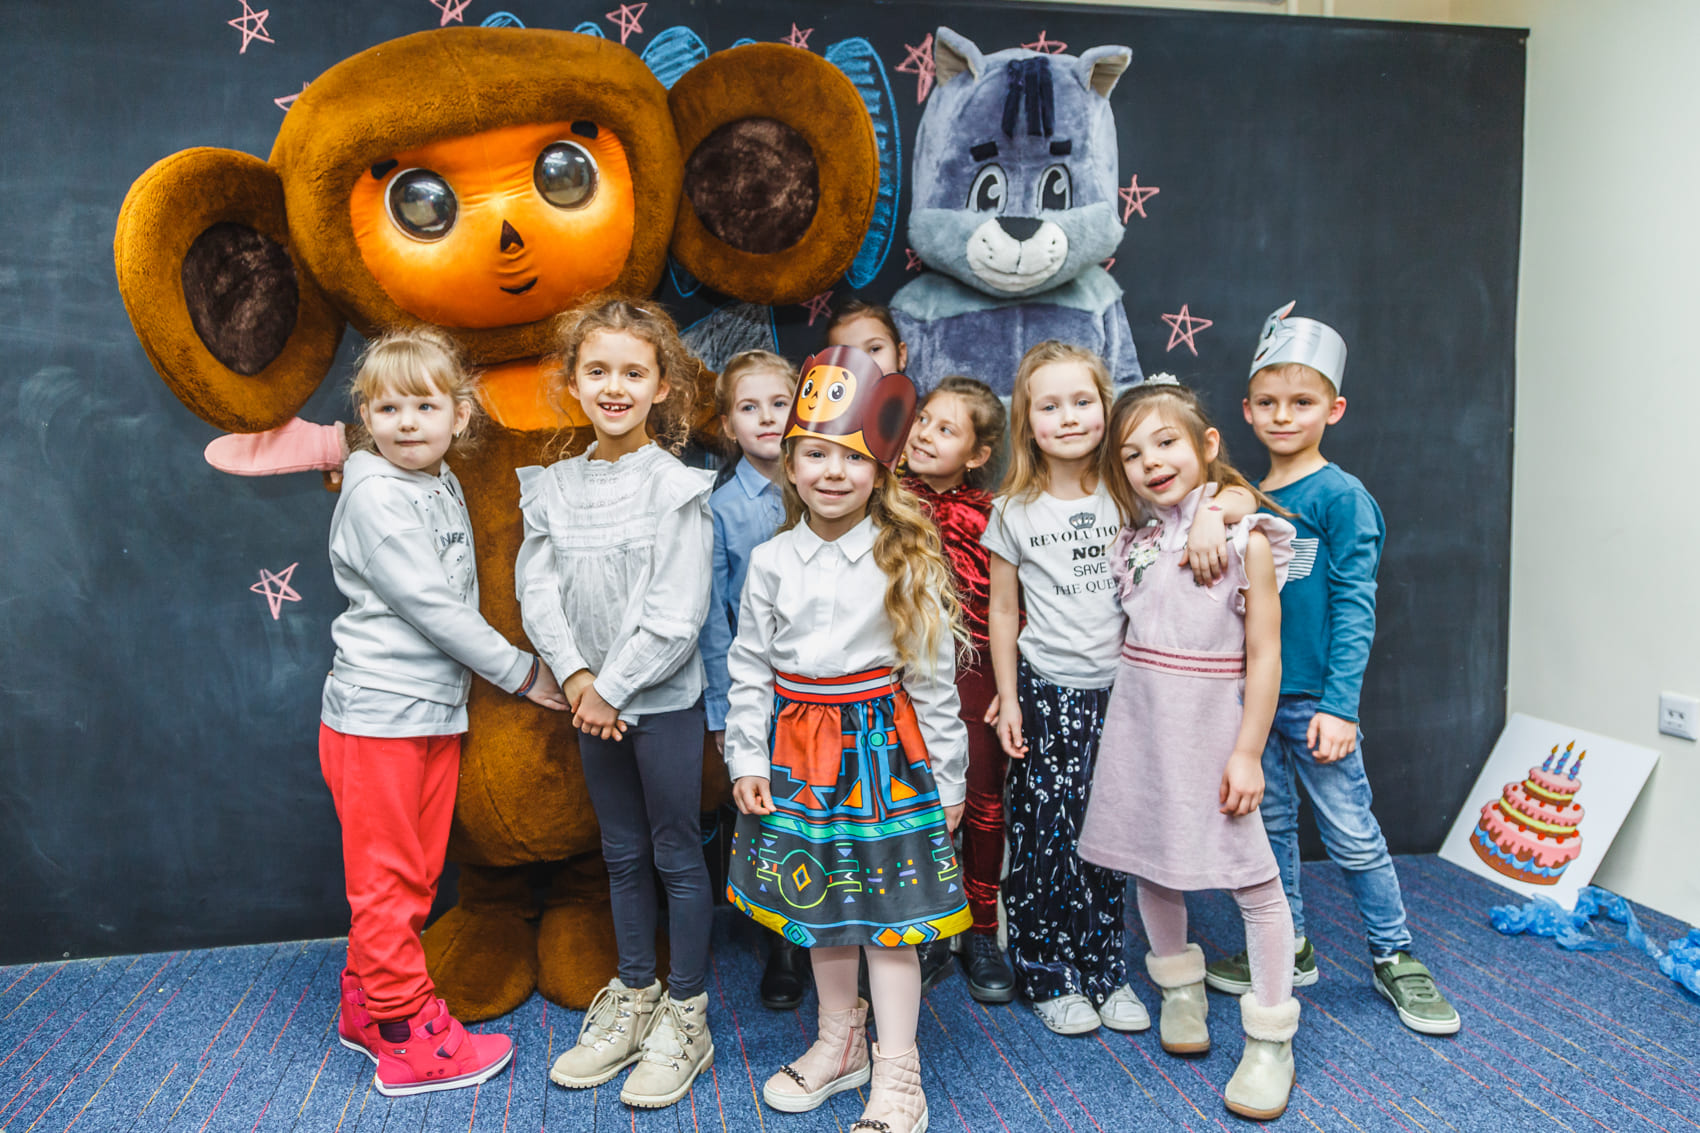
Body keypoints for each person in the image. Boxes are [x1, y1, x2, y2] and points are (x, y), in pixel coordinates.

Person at [724, 344, 966, 1133]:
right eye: (817, 453)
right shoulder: (769, 560)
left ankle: (899, 1072)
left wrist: (951, 780)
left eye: (854, 457)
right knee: (819, 907)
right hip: (799, 755)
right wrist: (747, 757)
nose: (834, 471)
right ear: (790, 464)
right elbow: (749, 667)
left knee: (888, 921)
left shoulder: (906, 556)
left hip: (882, 759)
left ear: (880, 470)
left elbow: (932, 681)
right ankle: (841, 1042)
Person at [321, 328, 567, 1097]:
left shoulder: (437, 478)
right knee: (388, 881)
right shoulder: (375, 494)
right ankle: (404, 1034)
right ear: (366, 416)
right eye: (387, 407)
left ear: (459, 416)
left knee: (417, 877)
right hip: (379, 719)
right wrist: (523, 673)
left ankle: (366, 1004)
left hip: (428, 713)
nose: (406, 422)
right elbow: (433, 606)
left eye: (424, 406)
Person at [1204, 303, 1460, 1035]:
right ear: (1247, 410)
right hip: (1258, 701)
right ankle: (1291, 945)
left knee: (1350, 834)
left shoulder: (1341, 497)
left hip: (1315, 701)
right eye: (1268, 402)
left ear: (1334, 409)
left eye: (1302, 403)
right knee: (1272, 828)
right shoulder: (1255, 498)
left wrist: (1340, 706)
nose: (1283, 416)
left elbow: (1355, 606)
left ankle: (1394, 953)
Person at [983, 344, 1253, 1036]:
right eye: (1050, 406)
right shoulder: (1013, 510)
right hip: (1049, 693)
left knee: (1112, 838)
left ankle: (1105, 968)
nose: (1069, 417)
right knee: (1046, 835)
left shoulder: (1131, 489)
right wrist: (1008, 695)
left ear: (1106, 409)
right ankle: (1047, 970)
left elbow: (1235, 492)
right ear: (1027, 421)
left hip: (1129, 691)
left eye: (1083, 401)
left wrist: (1211, 516)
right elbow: (1004, 610)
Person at [1079, 376, 1301, 1120]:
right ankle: (1179, 988)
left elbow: (1264, 656)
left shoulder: (1245, 539)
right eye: (1131, 453)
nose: (1150, 461)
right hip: (1142, 728)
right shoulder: (1134, 543)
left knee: (1255, 883)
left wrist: (1247, 752)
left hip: (1212, 730)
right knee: (1151, 860)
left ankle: (1270, 1037)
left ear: (1206, 444)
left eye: (1166, 442)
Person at [516, 299, 717, 1109]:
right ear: (573, 381)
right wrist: (574, 676)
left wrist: (611, 687)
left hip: (657, 702)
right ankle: (635, 996)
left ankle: (687, 1014)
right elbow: (537, 589)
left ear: (661, 386)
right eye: (597, 370)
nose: (614, 386)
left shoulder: (675, 486)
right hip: (587, 703)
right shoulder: (555, 487)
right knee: (622, 852)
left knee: (675, 852)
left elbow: (677, 611)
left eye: (634, 372)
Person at [901, 375, 1016, 1003]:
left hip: (973, 673)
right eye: (923, 420)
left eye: (946, 429)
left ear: (976, 454)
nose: (924, 434)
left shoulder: (993, 516)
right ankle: (922, 926)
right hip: (900, 673)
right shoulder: (883, 498)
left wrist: (1009, 681)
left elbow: (1013, 604)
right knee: (909, 800)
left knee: (981, 801)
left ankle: (980, 929)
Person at [698, 349, 806, 1010]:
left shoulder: (827, 483)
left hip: (826, 689)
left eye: (779, 403)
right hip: (758, 695)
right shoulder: (720, 509)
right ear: (727, 424)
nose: (767, 417)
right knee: (769, 816)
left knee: (828, 809)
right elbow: (714, 620)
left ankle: (837, 932)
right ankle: (782, 946)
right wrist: (722, 713)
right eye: (749, 407)